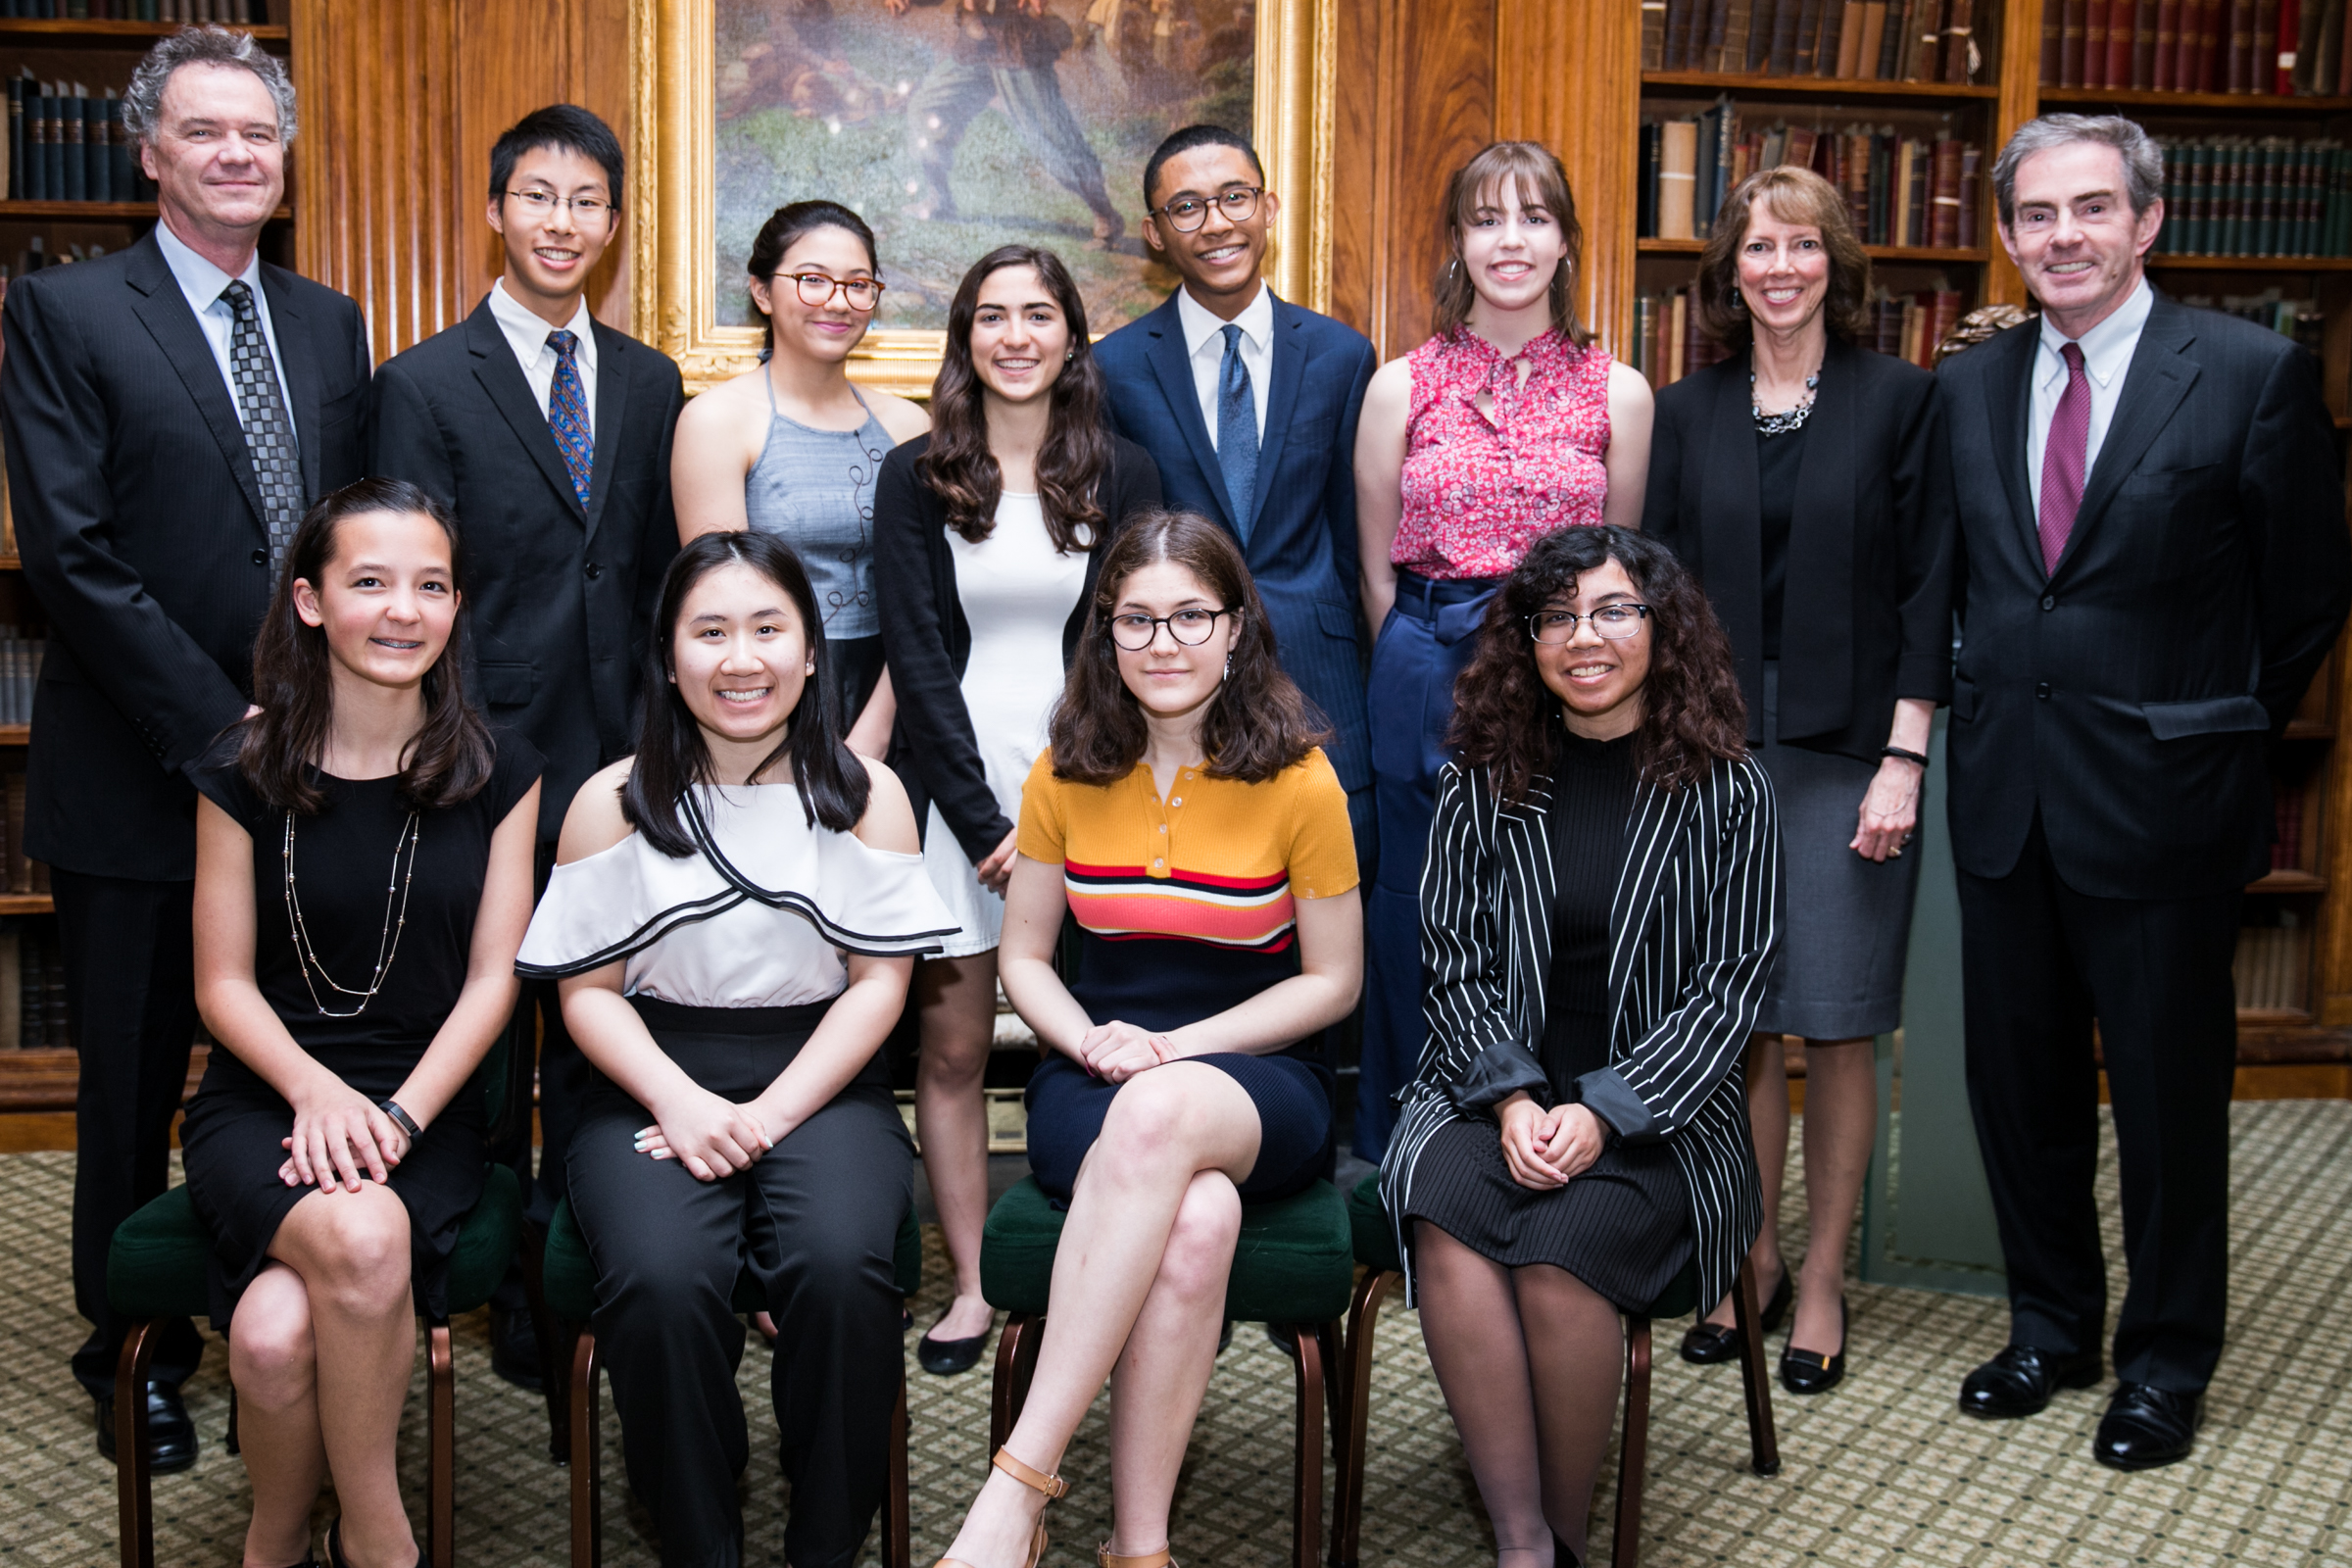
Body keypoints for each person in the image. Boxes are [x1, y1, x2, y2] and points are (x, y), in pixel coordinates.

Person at [1939, 114, 2350, 1469]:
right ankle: (2051, 1323)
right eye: (2039, 215)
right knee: (2022, 1086)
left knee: (2170, 1104)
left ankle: (2165, 1363)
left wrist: (2207, 730)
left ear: (2147, 222)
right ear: (2008, 236)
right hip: (2006, 795)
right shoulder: (1973, 389)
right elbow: (1972, 586)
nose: (2065, 236)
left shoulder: (2248, 374)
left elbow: (2302, 603)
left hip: (2165, 803)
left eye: (2093, 210)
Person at [0, 24, 371, 1466]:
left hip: (322, 786)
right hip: (148, 780)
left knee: (293, 1062)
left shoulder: (331, 324)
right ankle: (127, 1343)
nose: (236, 154)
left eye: (258, 135)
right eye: (205, 132)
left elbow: (352, 543)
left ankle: (265, 1291)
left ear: (285, 161)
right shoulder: (66, 313)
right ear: (151, 152)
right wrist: (229, 731)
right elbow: (74, 561)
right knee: (134, 1076)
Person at [932, 511, 1362, 1568]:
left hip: (1261, 1075)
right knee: (1200, 1218)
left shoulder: (1302, 778)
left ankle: (1015, 1490)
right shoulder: (1063, 772)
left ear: (1235, 628)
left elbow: (1335, 980)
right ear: (1105, 633)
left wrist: (1175, 1049)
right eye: (1136, 619)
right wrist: (1090, 1042)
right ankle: (1139, 1547)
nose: (1162, 642)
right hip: (1094, 1067)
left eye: (1188, 617)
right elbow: (1026, 957)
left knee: (1165, 1114)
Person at [516, 531, 956, 1568]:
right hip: (646, 1080)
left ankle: (824, 1540)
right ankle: (696, 1540)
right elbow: (588, 997)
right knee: (664, 1277)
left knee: (843, 1266)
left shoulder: (868, 795)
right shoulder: (609, 803)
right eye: (709, 631)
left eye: (768, 629)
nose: (740, 658)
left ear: (812, 653)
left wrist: (765, 1117)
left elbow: (879, 986)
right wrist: (681, 1101)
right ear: (668, 657)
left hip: (823, 1077)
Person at [1381, 523, 1777, 1568]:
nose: (1583, 637)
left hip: (1660, 1115)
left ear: (1661, 628)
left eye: (1611, 611)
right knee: (1449, 1216)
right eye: (1556, 617)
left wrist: (1603, 1112)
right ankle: (1524, 1546)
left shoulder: (1729, 791)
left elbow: (1731, 989)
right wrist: (1514, 1100)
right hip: (1486, 1086)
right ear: (1528, 641)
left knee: (1560, 1257)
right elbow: (1452, 960)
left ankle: (1564, 1533)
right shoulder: (1485, 778)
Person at [368, 101, 687, 1391]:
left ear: (614, 225)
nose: (564, 223)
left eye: (588, 202)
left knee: (612, 1009)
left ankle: (583, 1261)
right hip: (483, 758)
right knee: (493, 1029)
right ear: (497, 212)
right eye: (539, 198)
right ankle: (493, 1284)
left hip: (627, 758)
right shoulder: (422, 385)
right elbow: (408, 591)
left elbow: (659, 577)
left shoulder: (655, 380)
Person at [180, 479, 541, 1568]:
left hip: (422, 1113)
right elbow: (223, 985)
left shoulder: (503, 770)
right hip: (265, 1101)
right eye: (370, 582)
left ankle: (281, 1542)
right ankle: (379, 1540)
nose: (403, 610)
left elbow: (494, 980)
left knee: (273, 1329)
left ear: (455, 606)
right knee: (361, 1232)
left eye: (430, 585)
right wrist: (317, 1092)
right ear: (309, 599)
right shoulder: (239, 769)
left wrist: (393, 1115)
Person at [1642, 164, 1957, 1395]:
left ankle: (1823, 1273)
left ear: (1838, 261)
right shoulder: (1688, 408)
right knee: (1736, 1030)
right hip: (1713, 756)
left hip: (1848, 761)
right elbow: (1658, 588)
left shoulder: (1900, 402)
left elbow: (1936, 585)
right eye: (1757, 247)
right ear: (1728, 270)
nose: (1779, 266)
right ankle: (1750, 1257)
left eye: (1803, 244)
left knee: (1834, 1025)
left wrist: (1904, 755)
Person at [874, 244, 1162, 1376]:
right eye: (990, 315)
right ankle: (973, 1285)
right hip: (957, 794)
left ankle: (1091, 1271)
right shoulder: (916, 476)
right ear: (965, 337)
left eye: (1037, 313)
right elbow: (915, 654)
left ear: (1070, 335)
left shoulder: (1123, 471)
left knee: (1092, 1042)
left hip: (1092, 782)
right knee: (949, 1051)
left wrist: (1058, 811)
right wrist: (985, 820)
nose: (1014, 335)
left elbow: (1135, 643)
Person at [1351, 140, 1653, 1161]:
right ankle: (1413, 1146)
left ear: (1568, 239)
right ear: (1458, 240)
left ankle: (1554, 1139)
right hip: (1425, 658)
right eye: (1486, 219)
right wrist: (1433, 647)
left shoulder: (1621, 393)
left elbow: (1622, 580)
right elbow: (1375, 572)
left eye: (1533, 217)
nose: (1509, 240)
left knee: (1554, 902)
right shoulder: (1401, 386)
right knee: (1419, 907)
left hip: (1566, 675)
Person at [1096, 123, 1380, 878]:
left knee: (1334, 918)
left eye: (1234, 197)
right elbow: (1115, 557)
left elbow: (1356, 541)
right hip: (1173, 693)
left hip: (1322, 684)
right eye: (1186, 207)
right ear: (1155, 234)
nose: (1216, 222)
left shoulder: (1342, 356)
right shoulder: (1113, 368)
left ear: (1269, 207)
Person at [670, 199, 929, 760]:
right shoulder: (716, 420)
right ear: (762, 293)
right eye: (812, 280)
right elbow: (724, 603)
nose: (838, 302)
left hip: (898, 693)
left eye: (858, 284)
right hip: (762, 697)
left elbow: (925, 597)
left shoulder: (911, 426)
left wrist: (876, 731)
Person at [885, 0, 1124, 248]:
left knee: (1051, 138)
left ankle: (1105, 215)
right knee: (927, 106)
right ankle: (939, 199)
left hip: (1017, 46)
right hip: (977, 47)